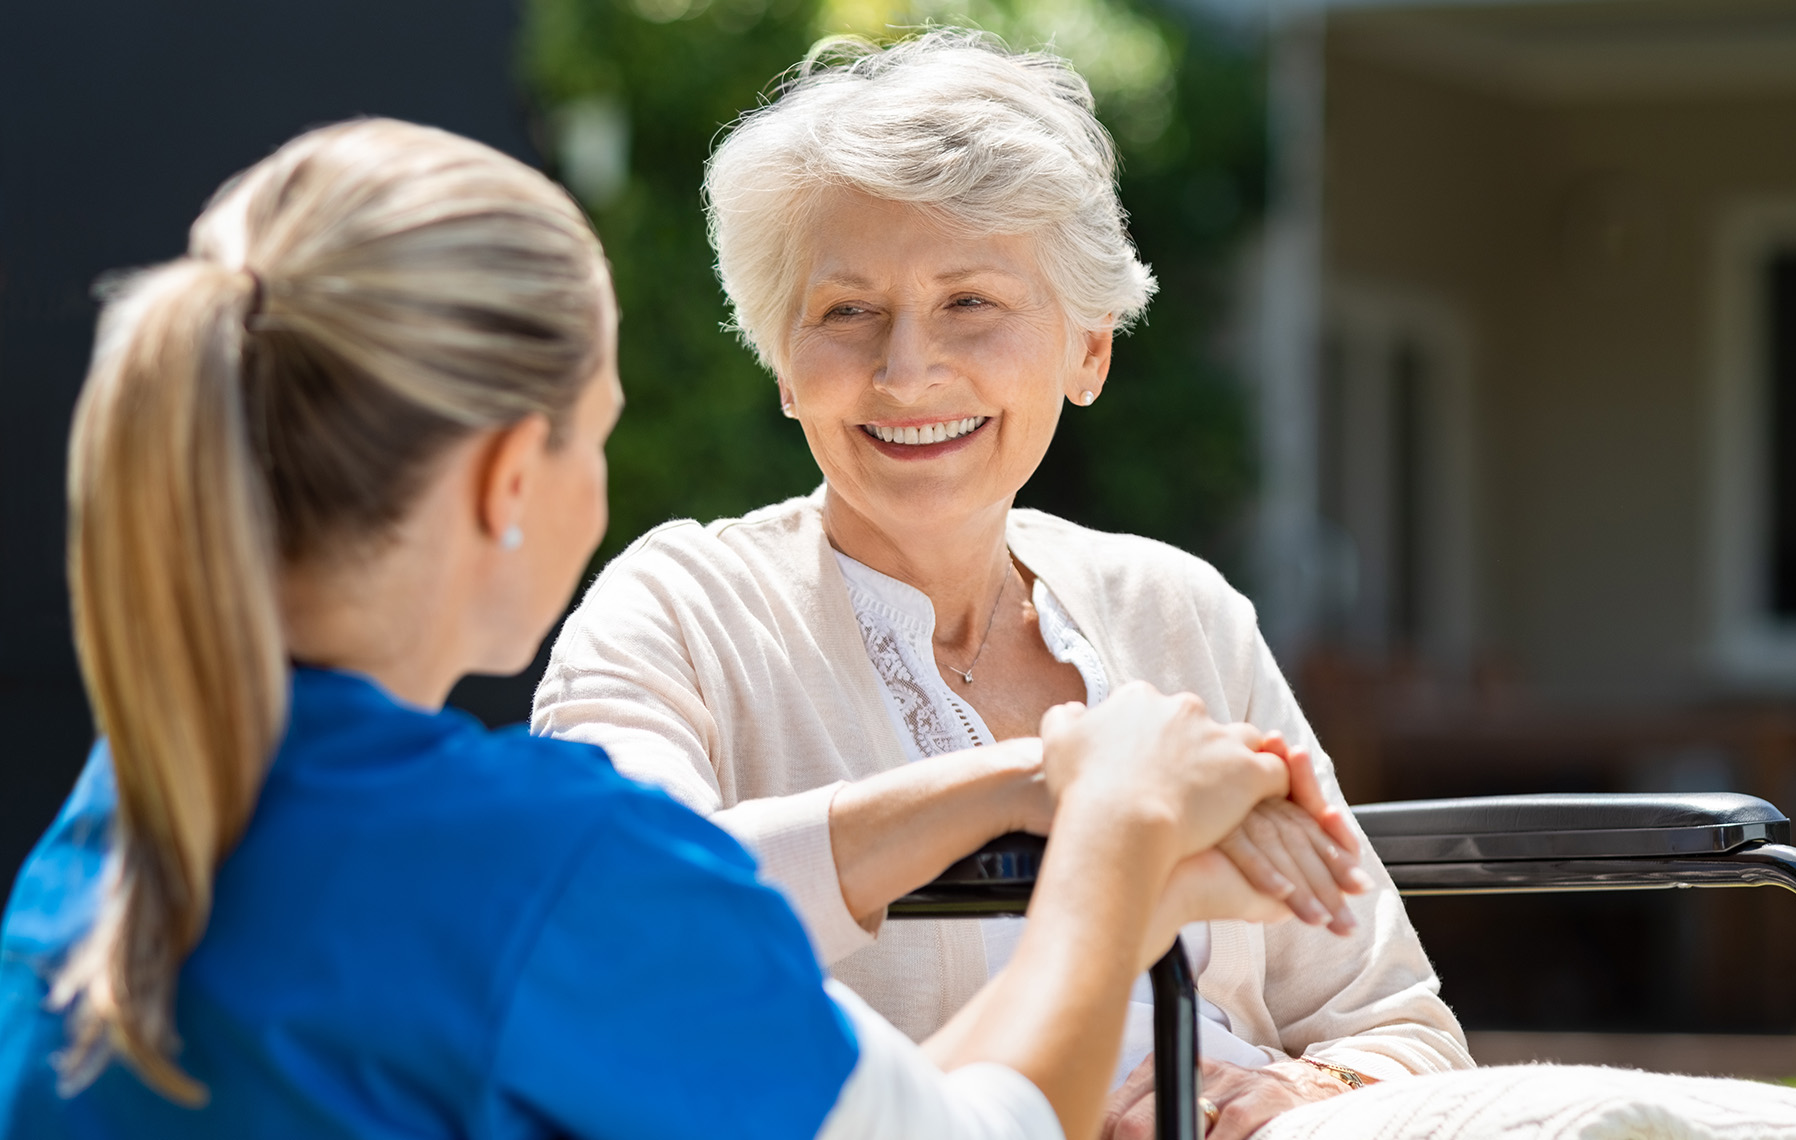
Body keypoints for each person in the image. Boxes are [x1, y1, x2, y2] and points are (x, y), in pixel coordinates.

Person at [0, 117, 1333, 1140]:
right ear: (509, 481)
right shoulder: (542, 865)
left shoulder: (127, 816)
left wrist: (1023, 778)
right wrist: (1114, 832)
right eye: (602, 429)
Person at [530, 30, 1468, 1137]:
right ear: (785, 365)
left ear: (1088, 352)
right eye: (846, 311)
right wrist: (1049, 780)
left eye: (970, 301)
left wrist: (1300, 1092)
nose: (906, 368)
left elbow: (1395, 1021)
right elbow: (612, 916)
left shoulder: (1180, 610)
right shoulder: (680, 607)